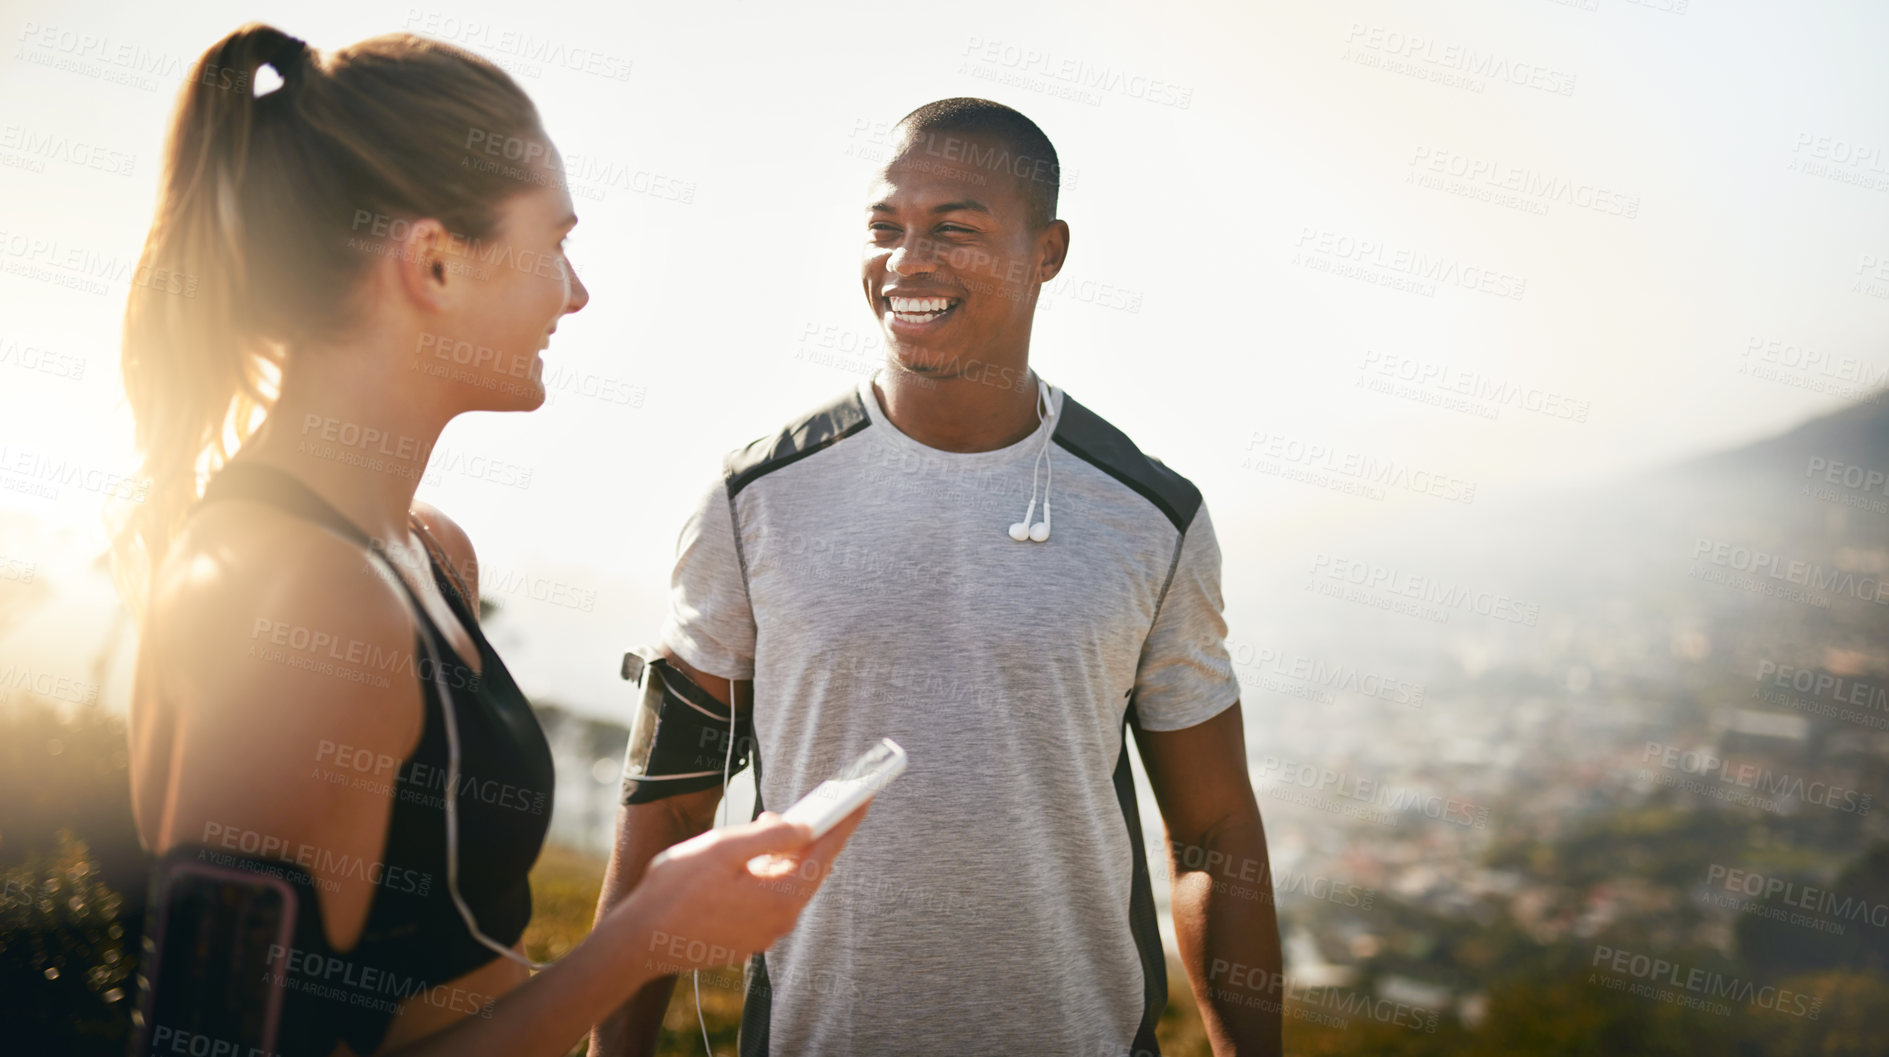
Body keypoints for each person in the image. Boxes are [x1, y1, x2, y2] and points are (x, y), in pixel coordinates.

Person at [116, 24, 864, 1057]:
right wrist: (645, 936)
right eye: (554, 241)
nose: (576, 289)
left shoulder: (427, 552)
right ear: (432, 261)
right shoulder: (295, 593)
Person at [591, 98, 1281, 1057]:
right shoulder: (751, 498)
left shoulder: (1150, 513)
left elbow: (1211, 831)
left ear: (1049, 251)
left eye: (954, 231)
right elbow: (665, 804)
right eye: (885, 229)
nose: (907, 261)